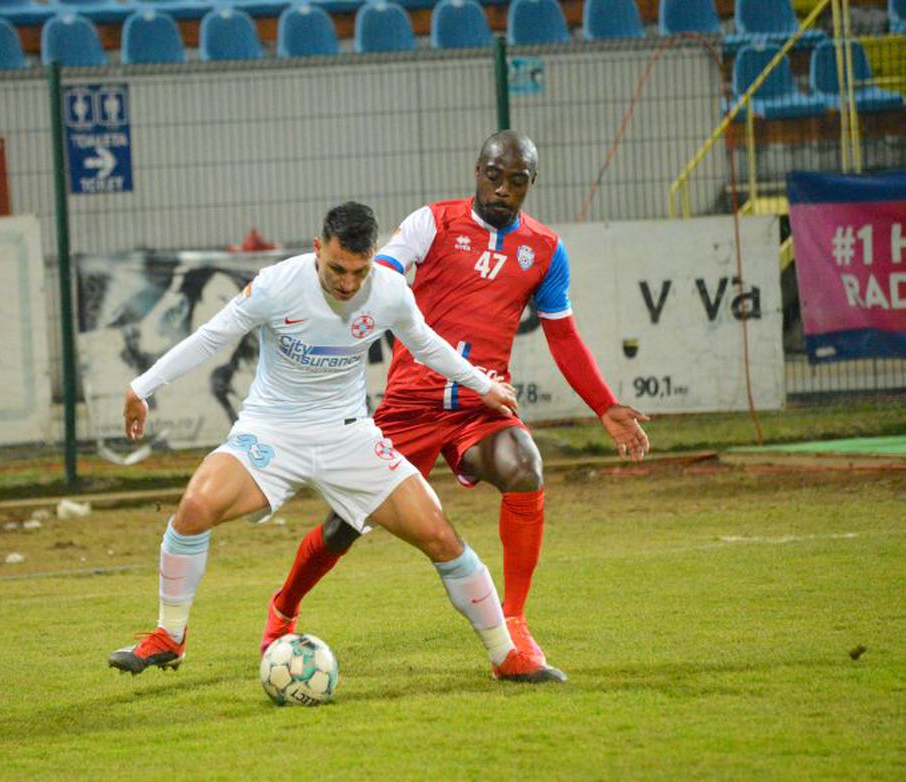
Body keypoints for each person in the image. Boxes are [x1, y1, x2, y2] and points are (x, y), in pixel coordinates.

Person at [262, 131, 651, 683]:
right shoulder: (432, 223)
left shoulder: (544, 250)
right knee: (346, 525)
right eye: (494, 175)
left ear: (530, 185)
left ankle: (513, 624)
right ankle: (284, 608)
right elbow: (385, 274)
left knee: (524, 466)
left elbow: (563, 336)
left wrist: (604, 406)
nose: (503, 188)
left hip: (481, 408)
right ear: (477, 171)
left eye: (517, 180)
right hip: (409, 406)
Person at [109, 201, 542, 680]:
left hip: (348, 436)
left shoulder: (389, 291)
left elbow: (425, 344)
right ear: (317, 249)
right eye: (337, 269)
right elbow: (212, 338)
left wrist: (484, 386)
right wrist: (142, 387)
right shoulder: (277, 285)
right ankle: (170, 635)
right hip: (272, 430)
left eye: (359, 271)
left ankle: (507, 655)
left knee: (441, 536)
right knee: (194, 508)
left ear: (373, 257)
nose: (347, 283)